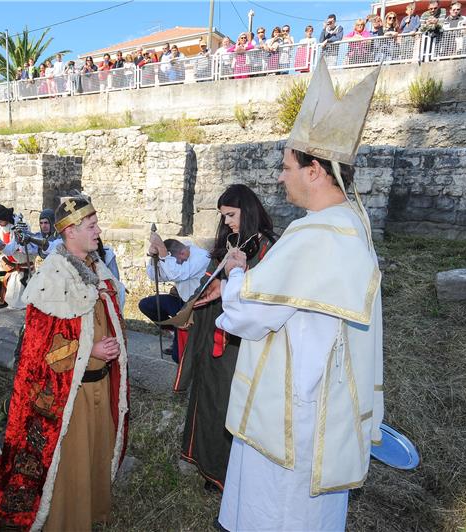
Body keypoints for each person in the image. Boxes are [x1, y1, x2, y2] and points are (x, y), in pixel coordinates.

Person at [215, 58, 384, 531]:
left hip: (293, 409)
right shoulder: (354, 225)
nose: (279, 176)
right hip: (328, 401)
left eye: (287, 166)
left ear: (314, 170)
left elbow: (250, 315)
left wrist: (236, 276)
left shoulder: (313, 237)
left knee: (277, 512)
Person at [0, 195, 129, 530]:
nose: (99, 231)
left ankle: (93, 510)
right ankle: (66, 520)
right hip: (68, 398)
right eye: (92, 226)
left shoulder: (96, 268)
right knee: (69, 461)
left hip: (100, 384)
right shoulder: (52, 278)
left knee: (95, 451)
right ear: (71, 231)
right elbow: (42, 348)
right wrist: (91, 352)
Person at [174, 185, 278, 494]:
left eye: (231, 215)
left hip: (238, 341)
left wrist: (236, 277)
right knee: (205, 397)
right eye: (224, 216)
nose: (228, 222)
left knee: (225, 402)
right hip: (211, 331)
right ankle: (203, 461)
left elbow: (265, 296)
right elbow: (210, 277)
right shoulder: (230, 241)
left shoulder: (267, 247)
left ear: (248, 210)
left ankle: (225, 472)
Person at [139, 236, 210, 362]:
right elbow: (156, 276)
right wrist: (153, 257)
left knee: (177, 357)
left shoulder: (202, 257)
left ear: (183, 253)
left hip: (198, 308)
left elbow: (177, 273)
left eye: (174, 261)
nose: (173, 264)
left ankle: (182, 339)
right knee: (146, 304)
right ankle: (173, 330)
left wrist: (164, 254)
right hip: (181, 302)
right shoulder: (176, 258)